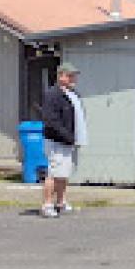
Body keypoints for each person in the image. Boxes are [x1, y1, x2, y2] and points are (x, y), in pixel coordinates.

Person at [40, 63, 88, 218]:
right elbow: (51, 120)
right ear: (61, 76)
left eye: (74, 75)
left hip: (69, 141)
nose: (74, 78)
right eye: (70, 75)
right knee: (53, 173)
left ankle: (61, 202)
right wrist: (66, 135)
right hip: (56, 141)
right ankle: (47, 204)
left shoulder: (72, 93)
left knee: (64, 173)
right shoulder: (52, 94)